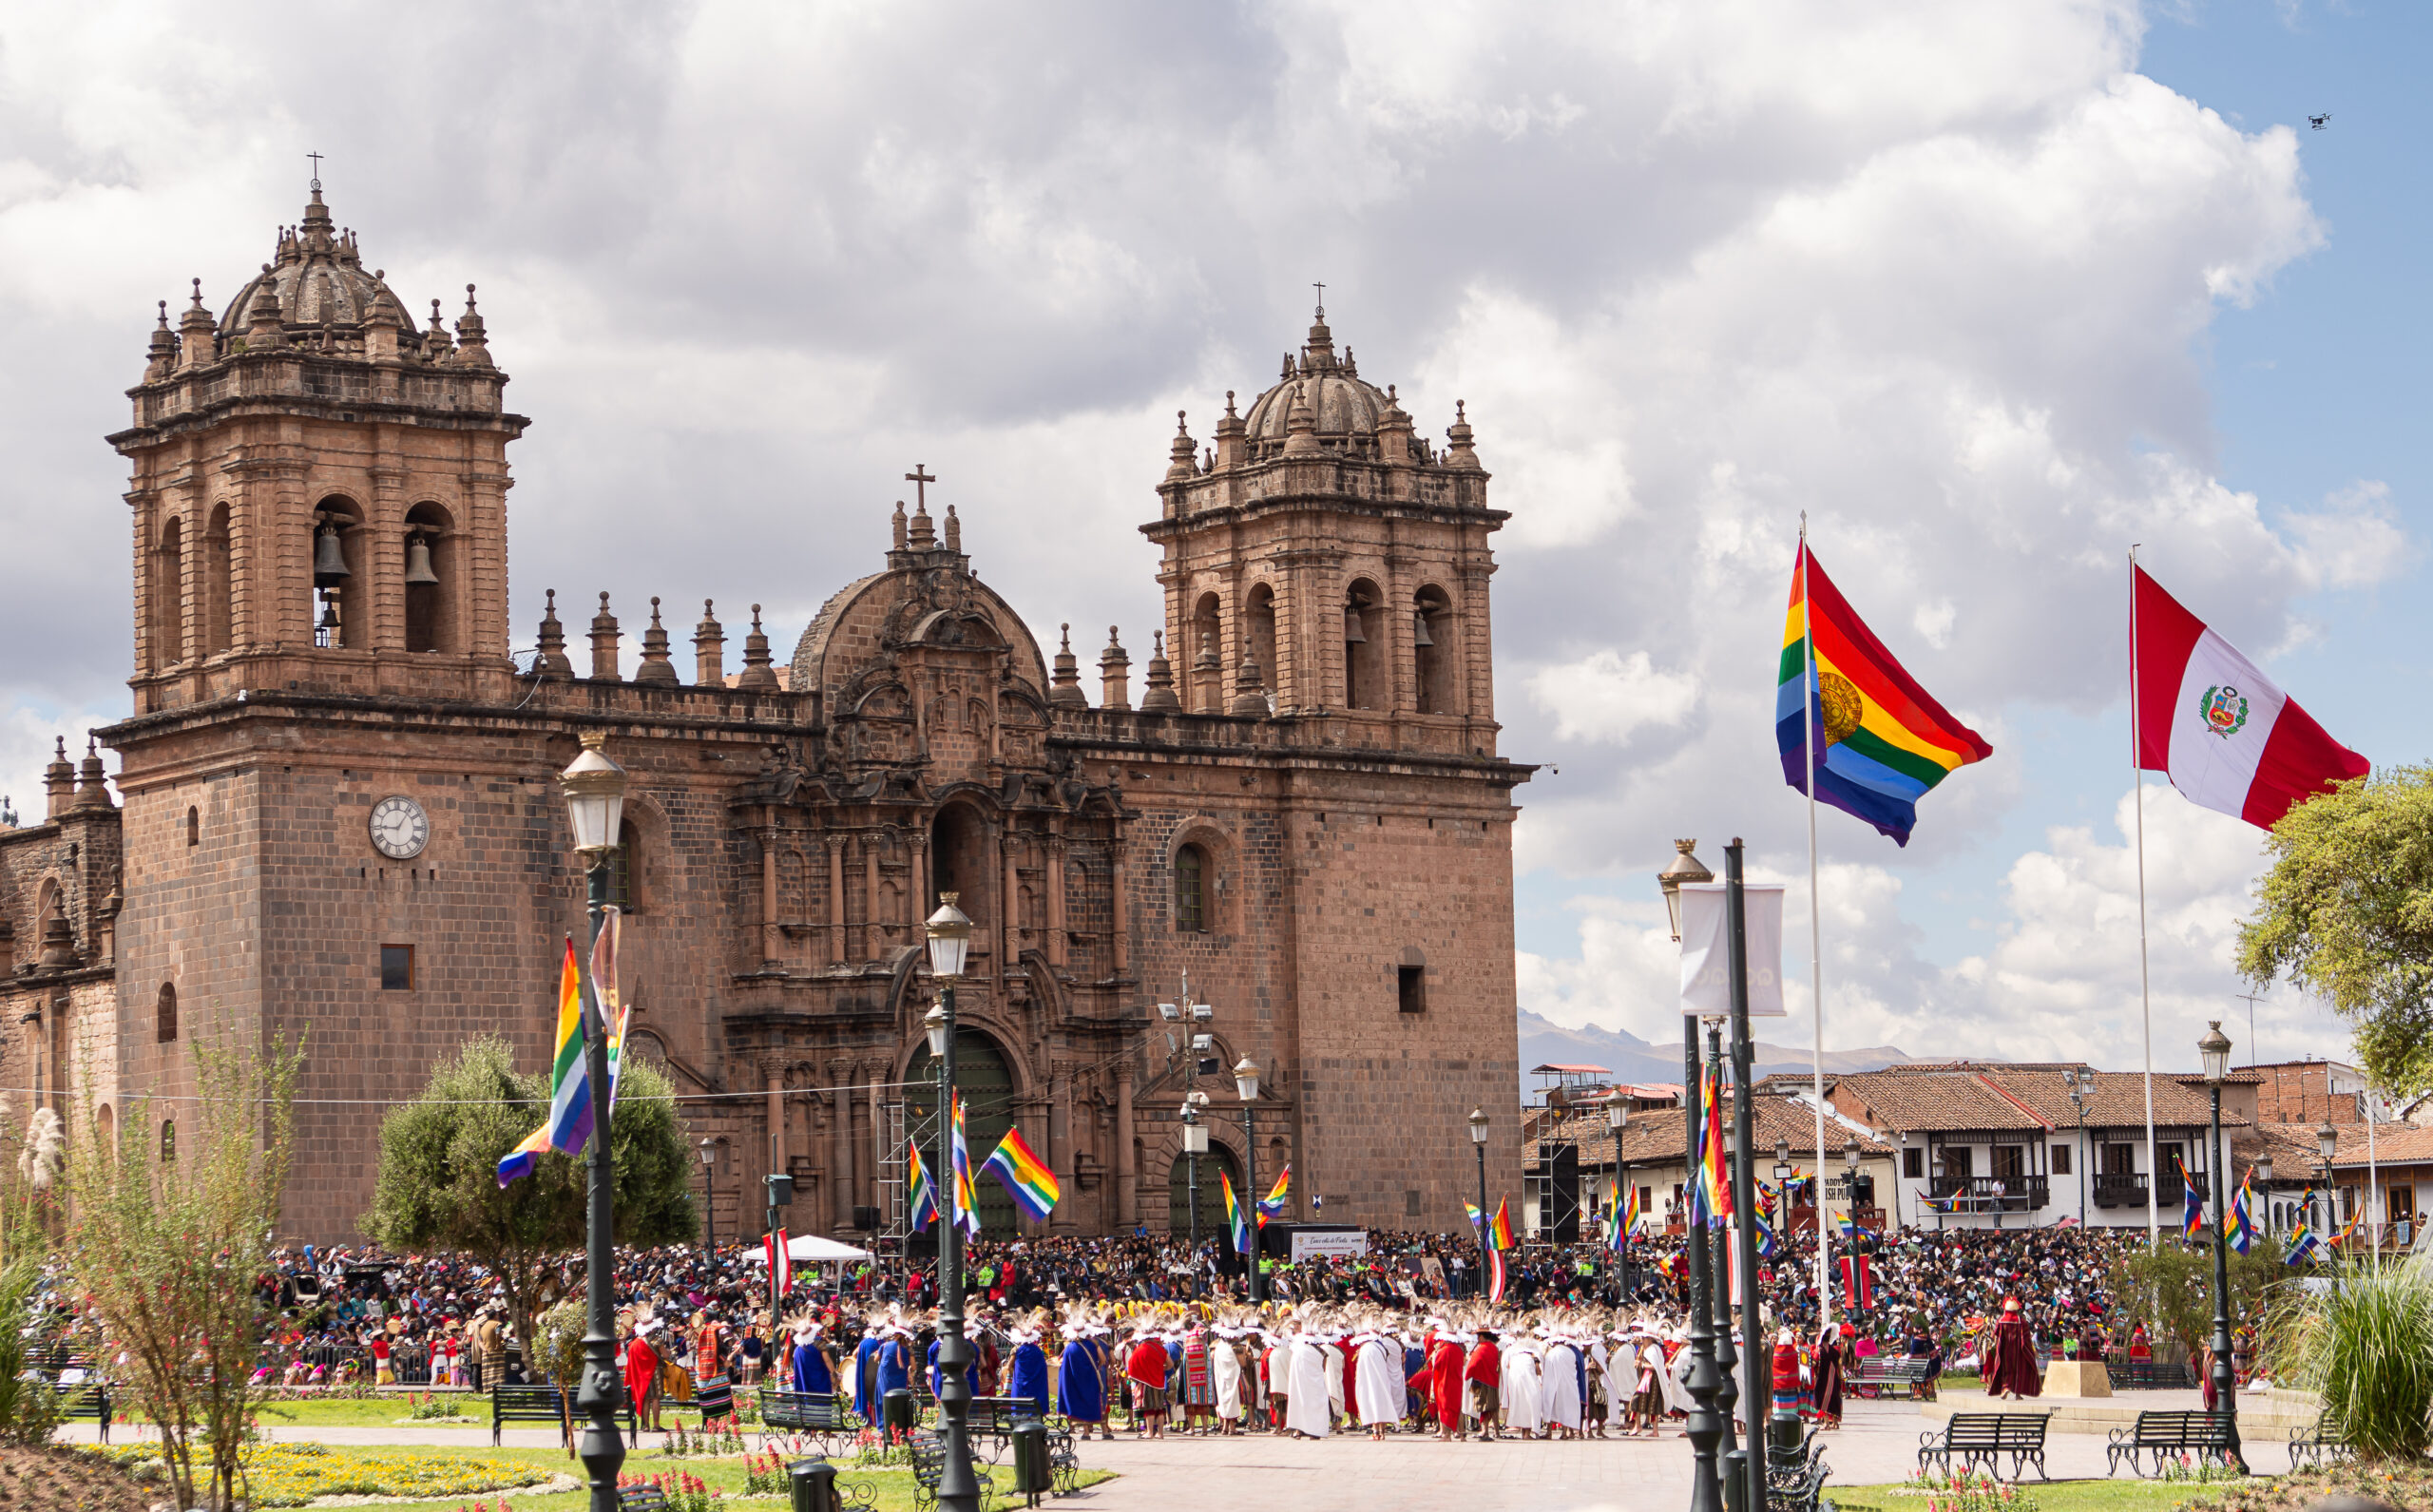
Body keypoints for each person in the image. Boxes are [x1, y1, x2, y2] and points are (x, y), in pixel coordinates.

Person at [1981, 1296, 2042, 1401]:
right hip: (2018, 1351)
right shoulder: (2021, 1321)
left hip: (2005, 1350)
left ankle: (2006, 1388)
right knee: (2018, 1371)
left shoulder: (2001, 1320)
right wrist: (2030, 1351)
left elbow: (1996, 1334)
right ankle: (2017, 1394)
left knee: (2006, 1370)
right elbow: (2026, 1338)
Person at [1058, 1320, 1111, 1441]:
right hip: (1092, 1378)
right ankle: (1105, 1431)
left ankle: (1086, 1433)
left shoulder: (1069, 1347)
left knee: (1082, 1404)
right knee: (1097, 1403)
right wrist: (1097, 1367)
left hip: (1077, 1381)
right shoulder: (1094, 1344)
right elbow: (1103, 1359)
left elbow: (1065, 1367)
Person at [1125, 1326, 1171, 1438]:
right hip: (1159, 1382)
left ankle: (1150, 1432)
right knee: (1159, 1408)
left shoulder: (1140, 1349)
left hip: (1146, 1382)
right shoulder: (1160, 1348)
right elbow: (1170, 1364)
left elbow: (1131, 1366)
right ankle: (1160, 1433)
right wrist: (1161, 1369)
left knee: (1150, 1408)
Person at [625, 1320, 663, 1433]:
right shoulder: (656, 1340)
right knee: (655, 1398)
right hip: (655, 1372)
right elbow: (665, 1354)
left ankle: (646, 1426)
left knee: (646, 1400)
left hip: (641, 1376)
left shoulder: (635, 1343)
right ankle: (656, 1425)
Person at [1465, 1328, 1503, 1441]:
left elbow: (1474, 1363)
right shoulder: (1494, 1348)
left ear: (1481, 1337)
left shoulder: (1481, 1348)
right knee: (1493, 1407)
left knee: (1482, 1406)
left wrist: (1468, 1374)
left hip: (1481, 1381)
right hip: (1493, 1381)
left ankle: (1485, 1430)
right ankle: (1496, 1431)